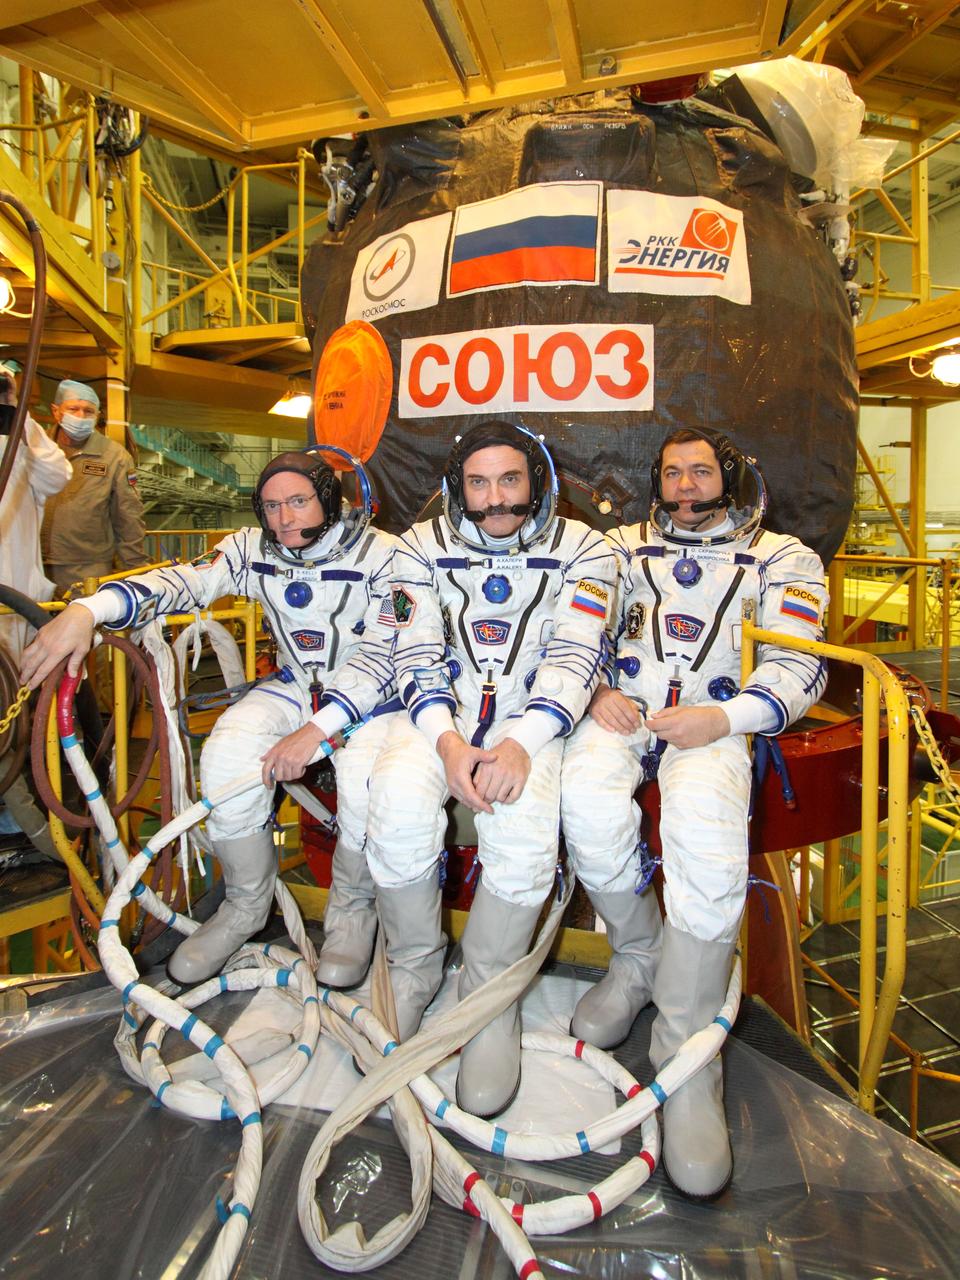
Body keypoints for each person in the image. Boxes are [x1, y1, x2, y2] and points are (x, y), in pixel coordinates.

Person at [560, 427, 828, 1199]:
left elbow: (799, 663)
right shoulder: (616, 548)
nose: (685, 485)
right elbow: (573, 630)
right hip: (624, 709)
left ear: (730, 479)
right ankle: (638, 958)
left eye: (701, 471)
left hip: (716, 721)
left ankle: (685, 1055)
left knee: (706, 841)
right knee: (585, 803)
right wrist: (595, 689)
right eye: (673, 472)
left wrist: (725, 718)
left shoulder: (782, 557)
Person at [22, 448, 398, 988]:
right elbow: (182, 582)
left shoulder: (384, 555)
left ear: (330, 500)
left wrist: (319, 729)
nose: (283, 519)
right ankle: (245, 906)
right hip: (297, 685)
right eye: (271, 506)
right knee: (225, 752)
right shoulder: (251, 550)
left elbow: (387, 653)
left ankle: (351, 915)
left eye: (298, 502)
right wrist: (89, 610)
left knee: (364, 780)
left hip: (374, 698)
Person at [364, 421, 616, 1118]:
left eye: (510, 480)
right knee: (395, 801)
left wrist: (523, 742)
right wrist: (447, 743)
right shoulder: (417, 548)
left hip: (532, 719)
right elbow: (413, 651)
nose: (495, 497)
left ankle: (487, 997)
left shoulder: (585, 549)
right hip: (436, 717)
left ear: (538, 482)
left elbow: (576, 653)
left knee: (525, 832)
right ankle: (413, 969)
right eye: (478, 483)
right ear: (457, 487)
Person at [40, 379, 147, 596]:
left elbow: (128, 515)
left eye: (88, 411)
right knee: (25, 616)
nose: (80, 416)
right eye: (73, 409)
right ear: (56, 411)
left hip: (86, 568)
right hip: (31, 561)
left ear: (97, 416)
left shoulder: (114, 457)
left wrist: (136, 569)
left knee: (80, 617)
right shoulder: (34, 447)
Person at [0, 364, 71, 662]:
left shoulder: (17, 439)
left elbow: (57, 476)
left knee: (12, 674)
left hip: (14, 591)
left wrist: (16, 414)